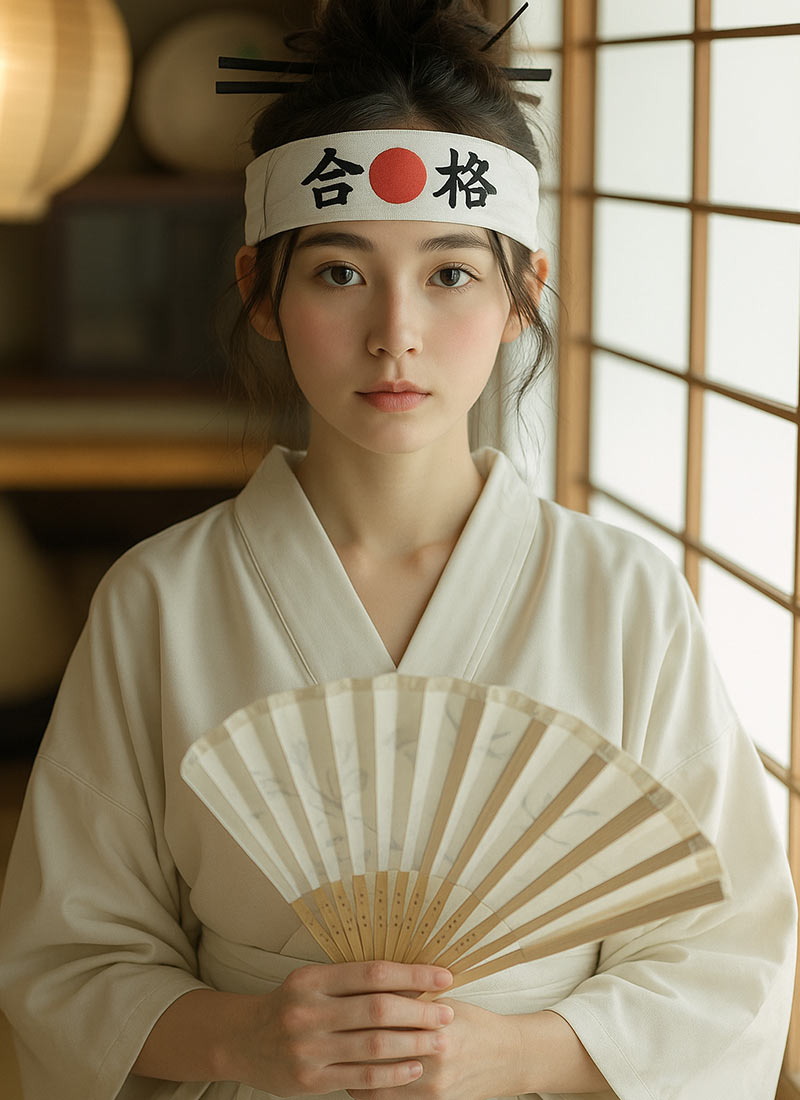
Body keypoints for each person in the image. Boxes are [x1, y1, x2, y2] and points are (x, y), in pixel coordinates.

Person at [0, 2, 795, 1098]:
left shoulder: (624, 598)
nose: (395, 333)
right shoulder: (158, 598)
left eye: (450, 273)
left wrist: (506, 1050)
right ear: (259, 292)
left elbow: (726, 957)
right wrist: (242, 1038)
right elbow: (66, 959)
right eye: (337, 272)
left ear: (522, 296)